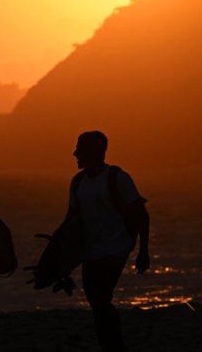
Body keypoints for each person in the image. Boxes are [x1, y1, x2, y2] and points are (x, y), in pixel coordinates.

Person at [64, 131, 150, 352]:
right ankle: (111, 343)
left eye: (79, 149)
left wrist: (143, 251)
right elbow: (71, 219)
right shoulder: (78, 182)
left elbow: (141, 214)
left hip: (116, 248)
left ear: (94, 152)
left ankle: (114, 345)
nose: (75, 153)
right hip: (90, 250)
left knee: (100, 297)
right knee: (95, 300)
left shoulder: (118, 178)